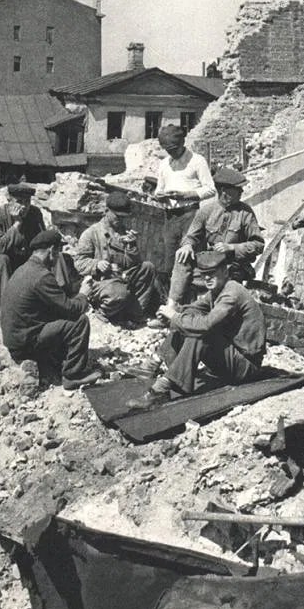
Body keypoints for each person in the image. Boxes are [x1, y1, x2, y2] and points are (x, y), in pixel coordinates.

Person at [131, 250, 266, 406]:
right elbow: (192, 309)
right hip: (232, 357)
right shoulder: (218, 290)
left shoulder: (232, 293)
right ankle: (157, 364)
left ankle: (161, 389)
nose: (207, 278)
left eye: (211, 273)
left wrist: (174, 317)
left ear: (224, 271)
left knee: (203, 332)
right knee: (190, 316)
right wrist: (171, 314)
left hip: (246, 366)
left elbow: (205, 325)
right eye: (203, 274)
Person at [1, 229, 102, 390]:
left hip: (15, 338)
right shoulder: (42, 276)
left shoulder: (23, 269)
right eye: (58, 252)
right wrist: (83, 294)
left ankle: (56, 360)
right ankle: (72, 375)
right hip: (25, 343)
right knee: (80, 322)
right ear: (51, 251)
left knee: (57, 317)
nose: (57, 258)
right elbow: (71, 309)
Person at [164, 166, 264, 313]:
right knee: (182, 257)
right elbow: (191, 236)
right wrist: (187, 245)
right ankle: (171, 308)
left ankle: (201, 314)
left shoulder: (245, 213)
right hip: (210, 264)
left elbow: (259, 244)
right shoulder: (206, 211)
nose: (242, 192)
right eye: (238, 189)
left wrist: (232, 248)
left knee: (216, 282)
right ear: (224, 191)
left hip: (232, 266)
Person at [74, 191, 159, 324]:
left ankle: (134, 313)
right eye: (117, 217)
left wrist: (131, 246)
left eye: (124, 217)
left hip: (122, 276)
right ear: (107, 211)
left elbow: (133, 264)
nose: (121, 221)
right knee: (119, 293)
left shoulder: (124, 232)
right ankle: (103, 312)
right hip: (102, 282)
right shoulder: (91, 233)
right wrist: (96, 264)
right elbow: (79, 262)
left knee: (148, 267)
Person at [154, 124, 217, 279]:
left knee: (192, 259)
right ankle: (171, 299)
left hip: (191, 216)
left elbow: (210, 188)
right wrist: (159, 196)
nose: (171, 153)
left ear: (182, 143)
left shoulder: (197, 161)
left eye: (174, 149)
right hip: (170, 217)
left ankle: (193, 300)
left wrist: (187, 195)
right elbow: (158, 189)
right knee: (169, 260)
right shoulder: (164, 164)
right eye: (168, 150)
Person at [0, 184, 44, 312]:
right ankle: (6, 310)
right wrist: (17, 223)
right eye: (19, 201)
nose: (24, 206)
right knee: (2, 259)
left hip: (18, 261)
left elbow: (42, 242)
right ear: (9, 201)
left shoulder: (34, 214)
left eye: (27, 201)